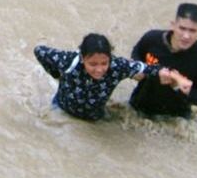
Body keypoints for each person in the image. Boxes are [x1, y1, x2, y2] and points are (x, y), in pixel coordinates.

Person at [33, 33, 183, 121]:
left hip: (96, 117)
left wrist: (165, 73)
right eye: (93, 64)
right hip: (61, 108)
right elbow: (39, 51)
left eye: (104, 63)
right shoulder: (69, 61)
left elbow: (148, 68)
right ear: (82, 58)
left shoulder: (117, 67)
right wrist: (56, 74)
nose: (99, 70)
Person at [129, 3, 197, 119]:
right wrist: (136, 71)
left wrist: (177, 86)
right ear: (173, 25)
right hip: (137, 108)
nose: (186, 36)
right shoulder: (151, 39)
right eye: (182, 28)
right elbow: (136, 55)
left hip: (175, 119)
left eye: (192, 31)